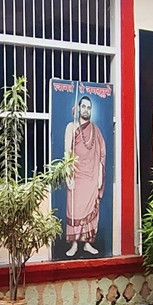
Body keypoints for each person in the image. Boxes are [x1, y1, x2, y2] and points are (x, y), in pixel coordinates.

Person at [63, 95, 106, 256]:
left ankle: (88, 243)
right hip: (76, 175)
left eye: (89, 107)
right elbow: (67, 152)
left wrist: (100, 175)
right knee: (74, 209)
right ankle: (74, 244)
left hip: (92, 176)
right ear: (79, 108)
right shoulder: (71, 127)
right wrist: (68, 174)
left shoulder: (96, 130)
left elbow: (102, 154)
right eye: (84, 107)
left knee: (91, 210)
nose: (86, 110)